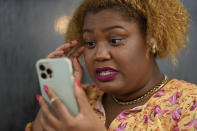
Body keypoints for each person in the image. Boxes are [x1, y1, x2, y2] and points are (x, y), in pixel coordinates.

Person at [26, 0, 197, 130]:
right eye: (90, 43)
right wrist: (58, 95)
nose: (99, 55)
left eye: (115, 40)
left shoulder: (189, 104)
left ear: (152, 39)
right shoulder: (80, 98)